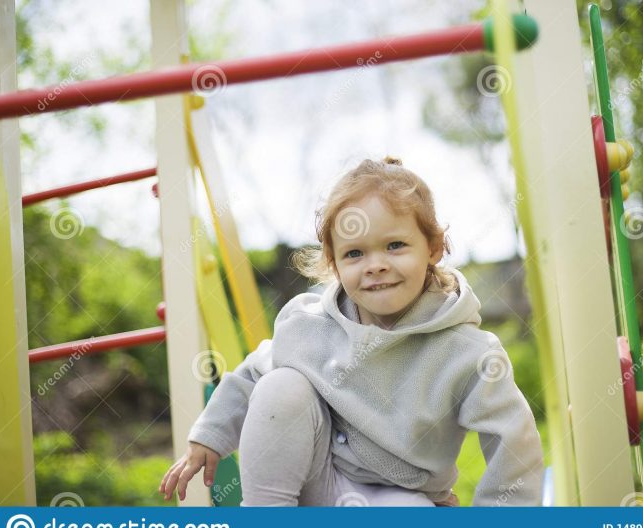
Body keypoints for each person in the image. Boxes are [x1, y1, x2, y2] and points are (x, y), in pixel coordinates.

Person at [159, 157, 543, 506]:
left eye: (395, 246)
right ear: (334, 263)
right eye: (354, 254)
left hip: (400, 496)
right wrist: (209, 434)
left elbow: (514, 438)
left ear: (433, 247)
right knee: (280, 384)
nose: (375, 265)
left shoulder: (468, 351)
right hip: (315, 478)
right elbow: (251, 375)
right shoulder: (311, 324)